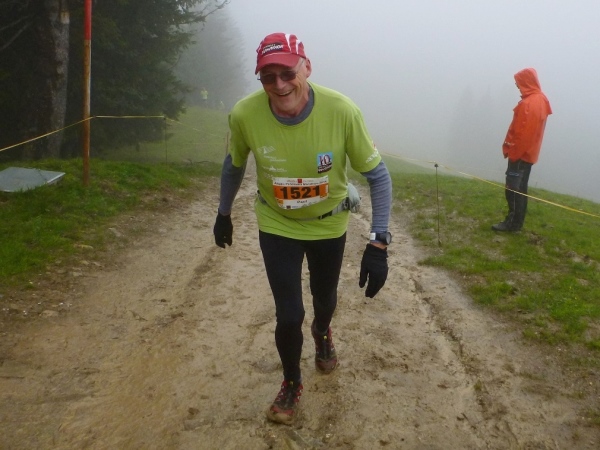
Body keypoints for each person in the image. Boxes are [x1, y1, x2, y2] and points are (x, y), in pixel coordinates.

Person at [212, 32, 392, 425]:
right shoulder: (244, 114)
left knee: (324, 298)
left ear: (306, 68)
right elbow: (234, 165)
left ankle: (323, 331)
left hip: (328, 224)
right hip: (277, 223)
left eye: (287, 73)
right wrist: (223, 213)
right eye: (268, 76)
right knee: (288, 313)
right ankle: (292, 381)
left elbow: (378, 176)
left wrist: (378, 242)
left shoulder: (342, 110)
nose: (279, 85)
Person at [492, 68, 552, 232]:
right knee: (521, 189)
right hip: (529, 154)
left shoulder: (528, 104)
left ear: (526, 82)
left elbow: (523, 133)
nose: (517, 86)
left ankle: (512, 224)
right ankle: (516, 223)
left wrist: (513, 154)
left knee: (513, 189)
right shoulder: (541, 100)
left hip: (520, 155)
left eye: (518, 83)